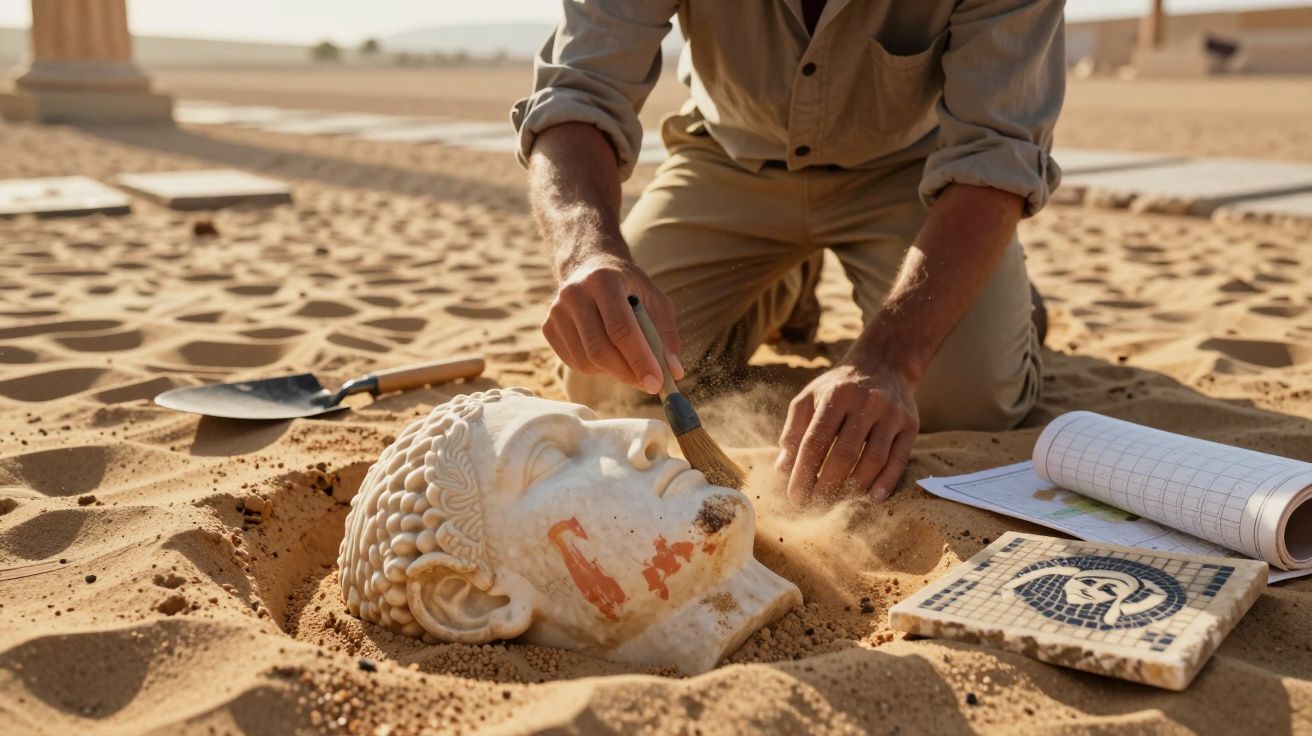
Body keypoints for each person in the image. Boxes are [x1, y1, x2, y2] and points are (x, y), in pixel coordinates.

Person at [513, 1, 1064, 505]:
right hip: (731, 158)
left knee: (966, 401)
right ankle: (783, 283)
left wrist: (889, 360)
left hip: (915, 175)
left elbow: (999, 150)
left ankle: (1004, 294)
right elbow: (578, 92)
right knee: (608, 371)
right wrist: (587, 254)